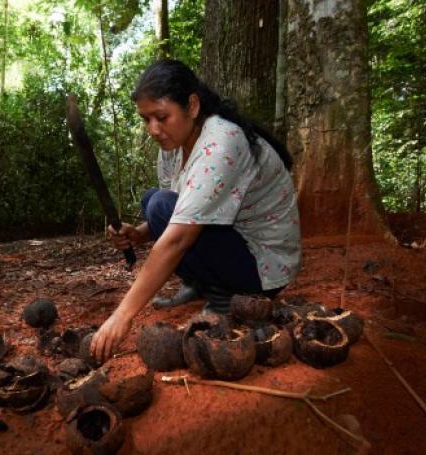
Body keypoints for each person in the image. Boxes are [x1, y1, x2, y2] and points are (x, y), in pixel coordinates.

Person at [90, 60, 301, 363]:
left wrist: (122, 316)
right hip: (233, 247)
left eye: (161, 117)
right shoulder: (173, 145)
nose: (153, 129)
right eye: (146, 119)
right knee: (154, 200)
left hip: (263, 268)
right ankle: (201, 284)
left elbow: (178, 238)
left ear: (192, 105)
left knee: (160, 205)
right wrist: (138, 234)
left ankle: (224, 299)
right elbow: (184, 208)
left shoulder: (221, 143)